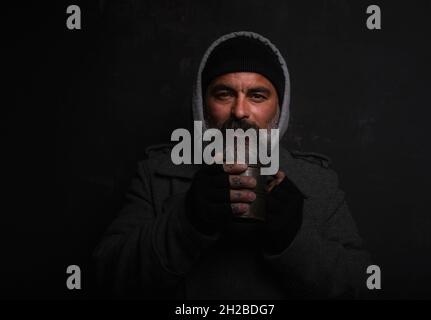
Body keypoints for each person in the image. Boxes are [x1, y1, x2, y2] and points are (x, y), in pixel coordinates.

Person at [93, 31, 371, 299]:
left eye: (257, 96)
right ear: (202, 104)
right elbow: (106, 277)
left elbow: (360, 284)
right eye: (224, 94)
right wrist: (186, 220)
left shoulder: (316, 182)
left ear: (280, 107)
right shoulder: (158, 174)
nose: (240, 111)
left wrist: (294, 239)